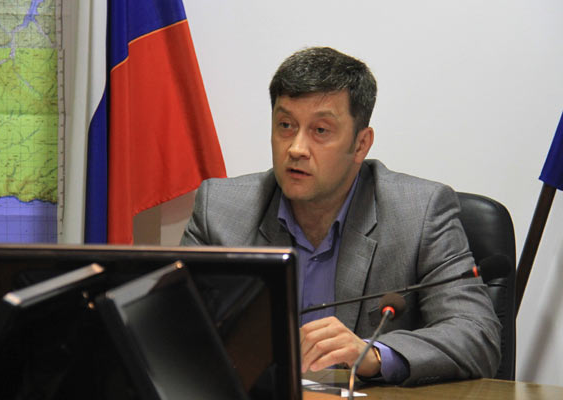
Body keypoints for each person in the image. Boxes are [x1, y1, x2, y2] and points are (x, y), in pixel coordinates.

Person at [180, 47, 501, 386]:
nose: (296, 148)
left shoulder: (419, 213)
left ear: (361, 144)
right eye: (285, 125)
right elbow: (170, 322)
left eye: (320, 130)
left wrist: (374, 354)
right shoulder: (220, 209)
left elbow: (476, 335)